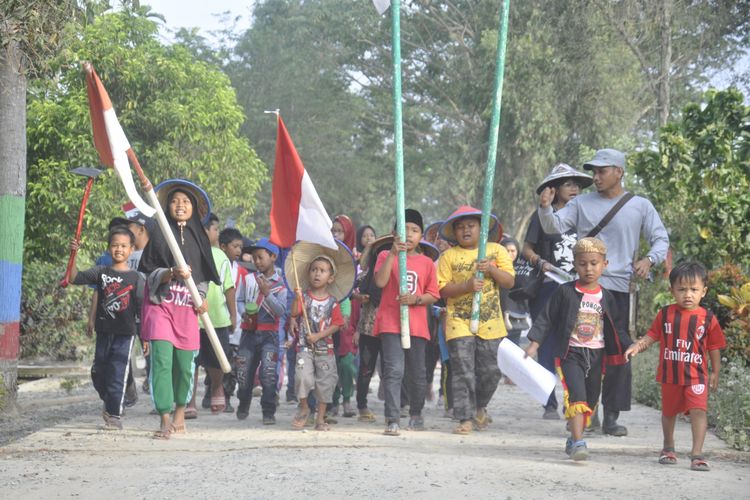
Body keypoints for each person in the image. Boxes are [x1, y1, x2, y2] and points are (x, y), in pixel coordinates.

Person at [537, 148, 669, 435]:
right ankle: (587, 409)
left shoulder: (640, 205)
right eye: (594, 171)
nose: (595, 176)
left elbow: (660, 239)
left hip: (621, 289)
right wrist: (546, 207)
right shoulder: (581, 204)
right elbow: (553, 227)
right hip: (584, 288)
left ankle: (611, 416)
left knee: (620, 353)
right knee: (583, 349)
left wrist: (649, 260)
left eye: (601, 171)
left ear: (619, 172)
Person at [526, 238, 629, 460]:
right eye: (582, 264)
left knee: (591, 400)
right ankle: (579, 443)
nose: (588, 269)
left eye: (594, 263)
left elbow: (617, 328)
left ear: (605, 264)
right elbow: (546, 318)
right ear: (574, 264)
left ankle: (573, 439)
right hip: (570, 353)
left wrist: (630, 346)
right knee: (577, 396)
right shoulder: (565, 292)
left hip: (596, 355)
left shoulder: (608, 297)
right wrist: (535, 343)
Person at [138, 179, 221, 440]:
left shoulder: (200, 239)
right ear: (167, 206)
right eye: (174, 201)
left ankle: (181, 412)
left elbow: (205, 276)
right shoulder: (160, 235)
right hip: (160, 306)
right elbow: (147, 274)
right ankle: (164, 417)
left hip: (187, 310)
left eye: (185, 202)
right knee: (162, 362)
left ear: (194, 209)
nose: (180, 205)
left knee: (185, 367)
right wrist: (169, 273)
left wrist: (203, 297)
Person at [625, 262, 725, 472]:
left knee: (699, 410)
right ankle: (668, 447)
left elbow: (715, 347)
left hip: (697, 377)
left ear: (703, 291)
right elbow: (653, 335)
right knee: (669, 412)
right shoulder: (665, 314)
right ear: (672, 291)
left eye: (694, 289)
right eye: (681, 289)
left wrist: (715, 372)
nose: (688, 294)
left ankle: (697, 454)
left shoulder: (708, 319)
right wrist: (638, 345)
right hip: (671, 377)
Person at [437, 206, 515, 435]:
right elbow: (442, 289)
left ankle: (480, 406)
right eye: (460, 228)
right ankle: (464, 417)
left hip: (491, 323)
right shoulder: (448, 256)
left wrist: (491, 269)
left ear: (481, 229)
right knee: (463, 371)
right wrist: (466, 286)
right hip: (458, 322)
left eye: (470, 226)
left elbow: (509, 281)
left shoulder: (496, 250)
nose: (465, 231)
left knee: (491, 372)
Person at [524, 163, 592, 419]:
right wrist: (540, 262)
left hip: (578, 288)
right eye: (567, 184)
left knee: (576, 342)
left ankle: (573, 399)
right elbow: (527, 248)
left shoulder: (584, 215)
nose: (574, 188)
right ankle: (548, 401)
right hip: (549, 287)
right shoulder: (541, 215)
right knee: (546, 342)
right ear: (553, 189)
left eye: (577, 184)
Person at [69, 226, 144, 430]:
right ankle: (114, 396)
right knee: (98, 370)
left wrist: (144, 337)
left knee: (117, 371)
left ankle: (114, 415)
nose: (118, 249)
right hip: (104, 331)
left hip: (126, 333)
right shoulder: (101, 272)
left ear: (131, 249)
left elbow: (141, 309)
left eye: (123, 246)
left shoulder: (137, 278)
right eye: (114, 245)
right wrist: (73, 254)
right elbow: (74, 278)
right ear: (109, 248)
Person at [373, 210, 440, 435]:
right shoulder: (384, 257)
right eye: (404, 230)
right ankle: (392, 417)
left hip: (418, 325)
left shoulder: (427, 263)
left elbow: (434, 294)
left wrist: (416, 299)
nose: (409, 235)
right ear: (394, 233)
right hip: (391, 323)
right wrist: (392, 253)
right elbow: (380, 282)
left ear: (421, 235)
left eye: (415, 230)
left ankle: (416, 413)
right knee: (393, 370)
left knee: (417, 372)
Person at [289, 256, 347, 431]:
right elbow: (294, 313)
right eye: (314, 269)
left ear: (330, 278)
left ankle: (320, 418)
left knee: (325, 384)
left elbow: (338, 324)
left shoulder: (333, 302)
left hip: (325, 350)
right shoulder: (304, 297)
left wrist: (319, 335)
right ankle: (304, 405)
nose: (317, 273)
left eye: (322, 271)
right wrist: (296, 298)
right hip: (304, 348)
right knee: (301, 377)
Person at [235, 238, 287, 424]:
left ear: (273, 257)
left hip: (269, 335)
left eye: (260, 257)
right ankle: (244, 401)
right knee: (243, 371)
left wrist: (267, 293)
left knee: (268, 373)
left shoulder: (280, 284)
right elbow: (240, 299)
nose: (256, 262)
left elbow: (281, 311)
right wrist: (242, 314)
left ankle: (268, 410)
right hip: (248, 333)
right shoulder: (248, 279)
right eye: (254, 258)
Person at [195, 213, 236, 415]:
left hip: (217, 316)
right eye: (215, 229)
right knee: (191, 362)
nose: (217, 233)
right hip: (191, 317)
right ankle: (189, 400)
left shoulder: (221, 256)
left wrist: (233, 315)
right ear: (204, 230)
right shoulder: (189, 252)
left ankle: (216, 386)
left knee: (218, 359)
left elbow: (229, 288)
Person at [219, 227, 246, 412]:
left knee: (231, 363)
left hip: (236, 326)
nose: (238, 251)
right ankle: (213, 391)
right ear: (223, 247)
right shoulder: (215, 267)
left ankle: (226, 397)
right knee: (216, 361)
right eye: (235, 246)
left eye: (240, 247)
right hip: (218, 320)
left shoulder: (243, 273)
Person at [500, 236, 531, 347]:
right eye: (506, 251)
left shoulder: (523, 268)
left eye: (513, 251)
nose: (510, 254)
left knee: (513, 348)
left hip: (517, 317)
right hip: (497, 317)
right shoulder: (495, 268)